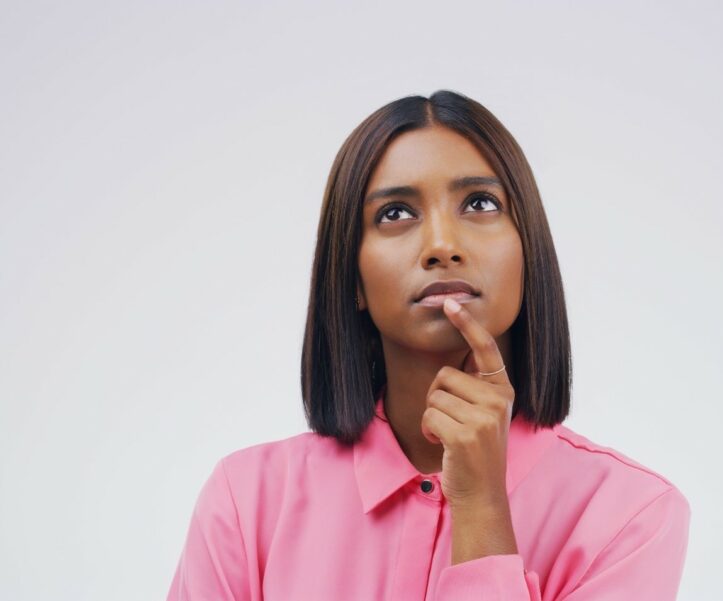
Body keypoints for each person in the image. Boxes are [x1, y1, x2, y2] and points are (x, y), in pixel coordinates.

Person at [166, 90, 691, 600]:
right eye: (395, 213)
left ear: (529, 250)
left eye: (480, 203)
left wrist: (482, 508)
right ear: (350, 278)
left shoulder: (633, 517)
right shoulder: (245, 502)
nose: (442, 245)